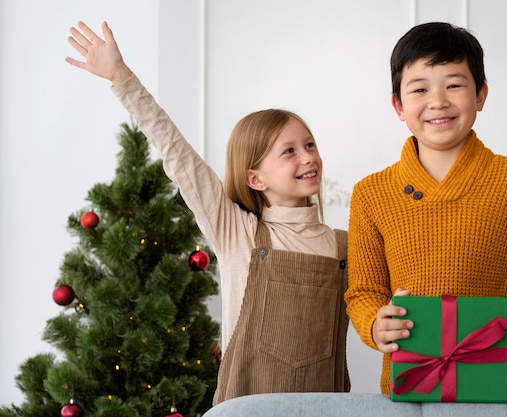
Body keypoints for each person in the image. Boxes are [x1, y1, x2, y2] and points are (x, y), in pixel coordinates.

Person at [65, 21, 350, 405]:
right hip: (246, 406)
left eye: (310, 145)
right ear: (255, 178)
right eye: (289, 151)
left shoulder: (344, 245)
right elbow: (178, 155)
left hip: (326, 409)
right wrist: (121, 77)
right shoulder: (237, 231)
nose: (308, 157)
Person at [344, 22, 507, 395]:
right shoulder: (371, 193)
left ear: (481, 95)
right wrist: (374, 324)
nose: (438, 100)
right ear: (398, 104)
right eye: (420, 89)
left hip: (495, 382)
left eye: (454, 84)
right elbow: (363, 291)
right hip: (408, 386)